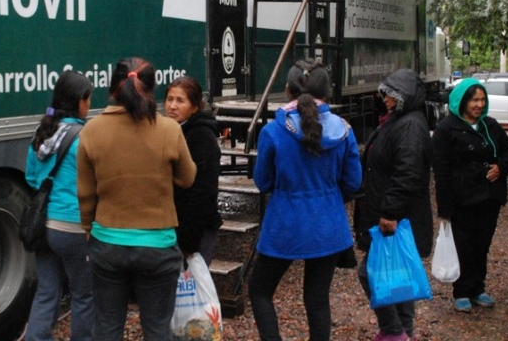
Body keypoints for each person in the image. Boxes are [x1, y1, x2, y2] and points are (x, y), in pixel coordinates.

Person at [76, 57, 197, 341]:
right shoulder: (169, 129)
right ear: (151, 89)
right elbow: (187, 178)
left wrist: (87, 229)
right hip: (157, 247)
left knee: (106, 327)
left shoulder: (91, 130)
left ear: (112, 88)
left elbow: (85, 192)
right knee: (156, 329)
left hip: (107, 243)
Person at [248, 59, 362, 341]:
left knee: (260, 290)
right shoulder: (344, 130)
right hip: (329, 226)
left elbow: (263, 182)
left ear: (287, 90)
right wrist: (330, 199)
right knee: (317, 297)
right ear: (328, 91)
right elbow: (354, 183)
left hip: (285, 223)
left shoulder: (273, 132)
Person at [355, 68, 433, 341]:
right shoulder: (401, 120)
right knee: (399, 278)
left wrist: (390, 212)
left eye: (389, 94)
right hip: (398, 215)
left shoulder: (409, 125)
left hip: (398, 218)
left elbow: (407, 172)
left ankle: (393, 330)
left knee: (370, 272)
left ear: (403, 96)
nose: (383, 98)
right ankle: (403, 333)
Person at [431, 77, 508, 313]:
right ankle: (461, 290)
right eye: (474, 100)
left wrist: (501, 166)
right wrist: (445, 207)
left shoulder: (490, 125)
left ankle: (478, 287)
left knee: (482, 244)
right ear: (462, 102)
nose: (479, 105)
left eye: (482, 100)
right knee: (464, 245)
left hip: (489, 198)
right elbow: (441, 169)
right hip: (462, 198)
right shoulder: (446, 129)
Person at [24, 71, 95, 341]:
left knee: (47, 291)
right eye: (88, 100)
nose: (89, 106)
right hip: (74, 226)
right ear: (78, 101)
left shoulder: (42, 133)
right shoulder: (84, 137)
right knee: (84, 294)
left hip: (44, 227)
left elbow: (31, 179)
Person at [164, 76, 223, 264]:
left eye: (180, 101)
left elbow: (203, 191)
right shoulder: (170, 131)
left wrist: (187, 241)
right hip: (172, 225)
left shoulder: (201, 136)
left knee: (192, 287)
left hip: (195, 230)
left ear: (195, 107)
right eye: (169, 99)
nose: (172, 106)